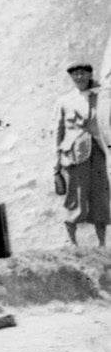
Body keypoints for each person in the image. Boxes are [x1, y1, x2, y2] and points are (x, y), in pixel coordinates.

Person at [56, 62, 110, 248]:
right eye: (75, 74)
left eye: (83, 73)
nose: (79, 77)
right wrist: (57, 163)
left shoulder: (101, 96)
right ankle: (72, 242)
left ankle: (102, 243)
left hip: (97, 151)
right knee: (75, 195)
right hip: (74, 153)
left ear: (89, 75)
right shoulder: (65, 101)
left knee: (100, 196)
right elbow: (58, 131)